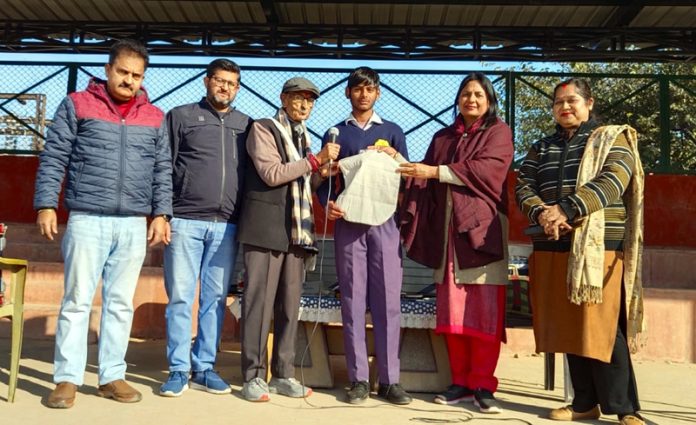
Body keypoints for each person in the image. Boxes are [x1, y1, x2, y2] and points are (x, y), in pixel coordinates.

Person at [34, 39, 172, 408]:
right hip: (86, 217)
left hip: (132, 223)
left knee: (120, 303)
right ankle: (67, 378)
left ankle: (111, 375)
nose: (129, 80)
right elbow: (54, 156)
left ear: (144, 77)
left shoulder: (154, 116)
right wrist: (46, 203)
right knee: (77, 300)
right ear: (108, 69)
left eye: (137, 75)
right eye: (123, 72)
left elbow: (162, 170)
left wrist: (161, 213)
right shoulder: (77, 104)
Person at [515, 78, 645, 425]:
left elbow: (614, 179)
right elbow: (523, 186)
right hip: (551, 244)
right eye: (558, 103)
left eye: (572, 101)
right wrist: (543, 214)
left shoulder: (611, 139)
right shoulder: (540, 147)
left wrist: (567, 210)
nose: (565, 107)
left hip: (598, 247)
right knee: (570, 326)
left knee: (602, 327)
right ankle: (584, 403)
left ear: (590, 103)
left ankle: (625, 408)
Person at [398, 72, 513, 414]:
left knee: (484, 313)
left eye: (478, 94)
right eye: (465, 94)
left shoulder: (498, 133)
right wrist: (402, 172)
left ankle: (483, 384)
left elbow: (486, 170)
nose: (471, 100)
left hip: (481, 234)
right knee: (453, 312)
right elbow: (423, 174)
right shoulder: (442, 137)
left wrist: (434, 172)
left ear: (489, 100)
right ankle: (460, 382)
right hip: (447, 237)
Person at [236, 77, 340, 402]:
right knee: (258, 305)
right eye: (298, 98)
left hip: (297, 232)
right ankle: (253, 376)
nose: (305, 105)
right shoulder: (263, 128)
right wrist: (315, 161)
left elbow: (304, 181)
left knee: (289, 307)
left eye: (310, 100)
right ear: (283, 98)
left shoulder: (304, 137)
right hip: (265, 229)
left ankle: (283, 373)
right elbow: (272, 173)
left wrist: (323, 172)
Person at [158, 59, 252, 397]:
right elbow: (163, 165)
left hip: (226, 226)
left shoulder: (246, 124)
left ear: (237, 88)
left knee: (214, 299)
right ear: (207, 82)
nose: (225, 87)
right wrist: (162, 213)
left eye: (232, 83)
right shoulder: (181, 116)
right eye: (219, 80)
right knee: (181, 297)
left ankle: (205, 367)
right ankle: (179, 369)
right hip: (184, 221)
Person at [320, 66, 412, 405]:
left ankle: (389, 380)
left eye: (370, 89)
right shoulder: (335, 133)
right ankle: (358, 379)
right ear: (347, 93)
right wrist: (326, 203)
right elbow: (325, 178)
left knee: (388, 302)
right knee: (353, 300)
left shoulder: (393, 131)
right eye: (357, 88)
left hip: (386, 224)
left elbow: (405, 176)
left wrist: (396, 155)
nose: (363, 94)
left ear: (378, 94)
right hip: (348, 222)